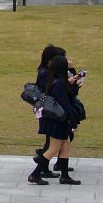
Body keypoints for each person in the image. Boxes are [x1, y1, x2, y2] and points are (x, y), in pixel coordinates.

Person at [29, 55, 81, 185]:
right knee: (53, 148)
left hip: (55, 120)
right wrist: (73, 121)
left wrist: (73, 84)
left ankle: (64, 176)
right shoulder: (60, 83)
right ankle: (35, 175)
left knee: (65, 144)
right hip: (58, 121)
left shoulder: (55, 80)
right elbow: (65, 104)